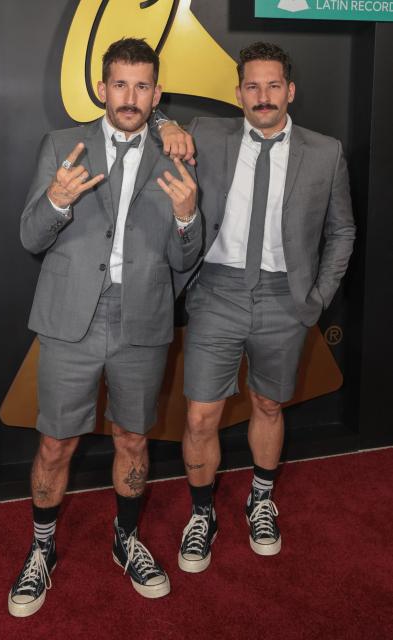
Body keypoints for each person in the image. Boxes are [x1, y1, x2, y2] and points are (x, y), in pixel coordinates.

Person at [8, 37, 200, 617]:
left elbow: (185, 260)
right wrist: (57, 202)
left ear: (156, 93)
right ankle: (42, 550)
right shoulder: (62, 146)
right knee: (56, 441)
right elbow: (29, 237)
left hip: (142, 315)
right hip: (72, 317)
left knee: (134, 439)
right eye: (120, 84)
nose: (130, 96)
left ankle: (127, 538)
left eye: (143, 86)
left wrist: (188, 220)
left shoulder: (177, 155)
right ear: (101, 88)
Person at [157, 41, 355, 572]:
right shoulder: (204, 133)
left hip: (284, 298)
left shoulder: (325, 151)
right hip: (216, 291)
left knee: (268, 406)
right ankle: (203, 514)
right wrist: (163, 127)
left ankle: (260, 501)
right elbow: (147, 118)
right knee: (200, 415)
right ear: (238, 91)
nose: (262, 96)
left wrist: (314, 301)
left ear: (290, 90)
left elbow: (342, 232)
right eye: (252, 85)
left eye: (273, 85)